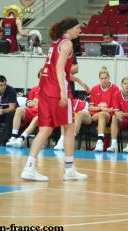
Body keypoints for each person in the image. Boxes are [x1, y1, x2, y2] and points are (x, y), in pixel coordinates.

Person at [21, 17, 87, 182]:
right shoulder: (67, 44)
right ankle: (70, 169)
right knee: (70, 128)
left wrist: (77, 80)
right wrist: (64, 93)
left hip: (45, 90)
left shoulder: (56, 43)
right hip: (57, 92)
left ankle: (29, 167)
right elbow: (58, 69)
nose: (80, 30)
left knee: (45, 129)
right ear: (69, 29)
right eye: (78, 28)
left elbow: (54, 70)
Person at [6, 70, 42, 148]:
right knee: (19, 110)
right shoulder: (34, 90)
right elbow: (28, 103)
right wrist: (32, 103)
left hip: (43, 113)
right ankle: (13, 137)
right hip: (32, 111)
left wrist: (37, 103)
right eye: (41, 77)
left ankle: (21, 139)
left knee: (37, 118)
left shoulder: (51, 89)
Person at [88, 67, 119, 152]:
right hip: (95, 115)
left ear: (109, 78)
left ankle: (100, 142)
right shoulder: (94, 89)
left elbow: (114, 108)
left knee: (101, 115)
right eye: (102, 78)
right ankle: (68, 139)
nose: (104, 80)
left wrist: (101, 111)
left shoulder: (115, 89)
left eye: (105, 78)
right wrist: (100, 108)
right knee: (80, 114)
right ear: (99, 79)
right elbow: (90, 107)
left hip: (109, 116)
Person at [107, 77, 128, 153]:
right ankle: (113, 145)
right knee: (114, 117)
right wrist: (118, 115)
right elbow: (116, 110)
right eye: (125, 83)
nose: (127, 85)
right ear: (121, 84)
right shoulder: (116, 94)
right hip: (122, 118)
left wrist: (122, 114)